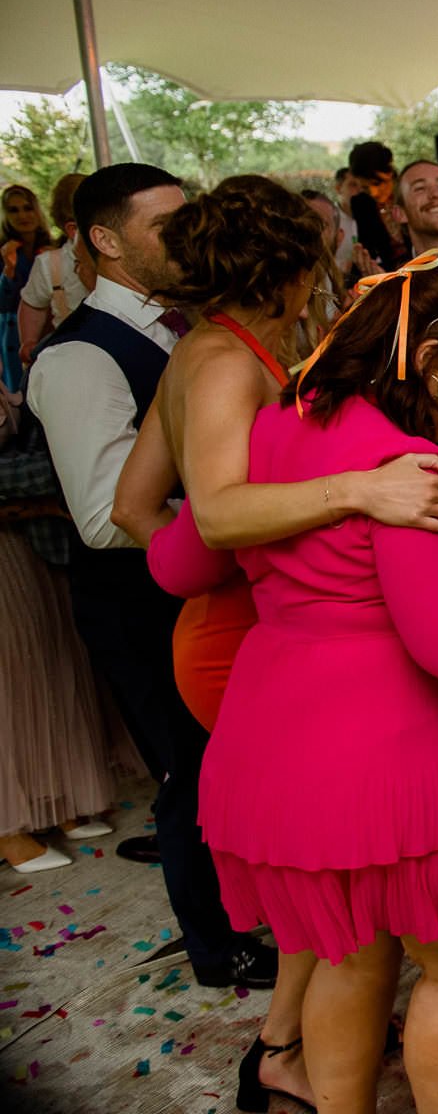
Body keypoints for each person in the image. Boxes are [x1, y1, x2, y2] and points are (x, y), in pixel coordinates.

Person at [150, 256, 438, 1113]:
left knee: (346, 953)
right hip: (388, 761)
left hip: (269, 751)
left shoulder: (269, 428)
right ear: (432, 355)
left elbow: (176, 559)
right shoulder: (410, 472)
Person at [112, 176, 438, 1112]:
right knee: (331, 868)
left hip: (251, 618)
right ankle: (287, 1049)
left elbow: (138, 510)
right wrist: (353, 495)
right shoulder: (228, 366)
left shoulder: (211, 351)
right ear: (295, 267)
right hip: (259, 638)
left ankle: (288, 1048)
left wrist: (210, 561)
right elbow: (219, 511)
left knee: (323, 871)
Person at [25, 163, 278, 990]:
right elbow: (104, 514)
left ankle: (262, 906)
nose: (191, 235)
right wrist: (237, 523)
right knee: (191, 776)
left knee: (241, 762)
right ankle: (218, 946)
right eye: (169, 224)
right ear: (106, 242)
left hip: (210, 592)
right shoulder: (77, 358)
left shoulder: (193, 325)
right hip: (143, 604)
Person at [0, 404, 116, 874]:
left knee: (46, 666)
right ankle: (10, 828)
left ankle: (52, 803)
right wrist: (58, 473)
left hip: (22, 542)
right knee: (8, 683)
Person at [16, 173, 90, 366]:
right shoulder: (50, 263)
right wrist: (29, 340)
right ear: (72, 229)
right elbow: (32, 304)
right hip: (69, 353)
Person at [2, 184, 55, 390]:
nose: (22, 215)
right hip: (14, 336)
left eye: (27, 208)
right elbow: (4, 305)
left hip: (49, 329)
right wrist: (8, 271)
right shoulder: (4, 251)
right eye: (13, 210)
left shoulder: (53, 248)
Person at [346, 140, 401, 269]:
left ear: (390, 172)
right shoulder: (361, 204)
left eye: (377, 183)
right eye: (365, 188)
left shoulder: (410, 194)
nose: (373, 193)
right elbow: (368, 248)